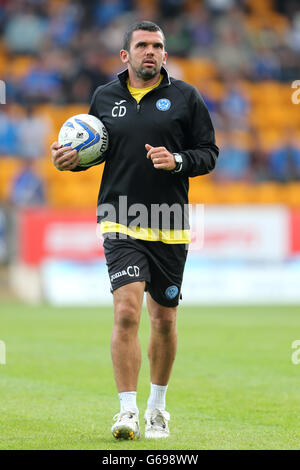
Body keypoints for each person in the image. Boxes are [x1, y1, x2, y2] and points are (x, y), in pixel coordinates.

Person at [51, 20, 219, 441]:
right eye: (142, 45)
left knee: (163, 320)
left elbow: (208, 153)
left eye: (157, 46)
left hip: (169, 219)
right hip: (120, 215)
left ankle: (157, 409)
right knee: (126, 310)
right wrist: (70, 159)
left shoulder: (186, 97)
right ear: (125, 55)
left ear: (165, 54)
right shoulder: (104, 97)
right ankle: (126, 411)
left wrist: (178, 161)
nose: (151, 51)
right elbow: (94, 147)